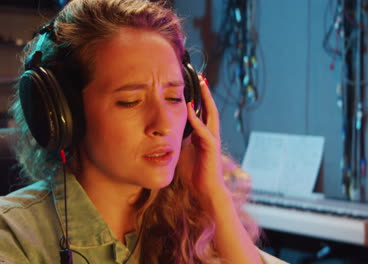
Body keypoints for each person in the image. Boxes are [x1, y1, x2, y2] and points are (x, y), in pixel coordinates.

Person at [0, 0, 288, 263]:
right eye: (131, 101)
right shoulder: (13, 235)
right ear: (64, 114)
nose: (163, 125)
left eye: (174, 98)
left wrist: (213, 194)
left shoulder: (194, 224)